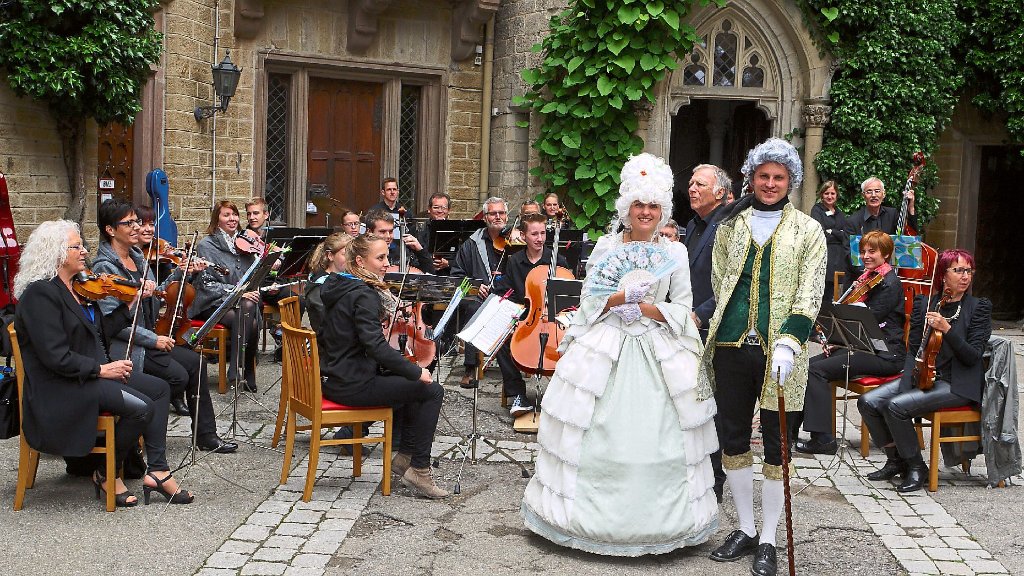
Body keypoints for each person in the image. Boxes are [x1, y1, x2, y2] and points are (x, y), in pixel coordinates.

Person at [521, 153, 717, 556]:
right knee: (591, 429)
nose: (645, 212)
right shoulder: (608, 246)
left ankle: (662, 524)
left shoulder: (675, 254)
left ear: (662, 210)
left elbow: (684, 308)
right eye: (638, 205)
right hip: (608, 341)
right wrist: (617, 299)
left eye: (653, 206)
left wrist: (646, 308)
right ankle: (583, 521)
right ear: (626, 208)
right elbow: (589, 301)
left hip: (657, 344)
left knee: (660, 437)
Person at [701, 138, 826, 576]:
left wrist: (792, 341)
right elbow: (720, 281)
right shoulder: (731, 227)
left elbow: (811, 292)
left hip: (782, 354)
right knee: (732, 440)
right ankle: (746, 528)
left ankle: (770, 538)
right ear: (750, 178)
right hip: (732, 345)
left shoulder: (808, 231)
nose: (770, 183)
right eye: (763, 176)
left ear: (790, 180)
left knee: (777, 447)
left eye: (779, 177)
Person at [13, 220, 194, 506]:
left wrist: (128, 306)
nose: (85, 251)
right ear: (57, 252)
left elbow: (101, 333)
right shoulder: (40, 295)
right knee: (141, 408)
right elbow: (54, 357)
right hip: (63, 385)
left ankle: (158, 469)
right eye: (77, 246)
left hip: (88, 375)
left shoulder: (77, 287)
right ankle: (106, 473)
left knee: (159, 388)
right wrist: (102, 369)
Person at [91, 200, 238, 455]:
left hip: (147, 339)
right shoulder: (105, 267)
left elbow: (158, 293)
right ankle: (143, 432)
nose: (136, 227)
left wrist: (181, 273)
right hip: (128, 348)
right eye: (129, 223)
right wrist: (154, 339)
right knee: (177, 376)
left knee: (197, 363)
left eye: (136, 221)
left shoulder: (137, 257)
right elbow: (113, 324)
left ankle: (206, 435)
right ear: (110, 230)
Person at [317, 233, 448, 499]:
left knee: (411, 386)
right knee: (432, 390)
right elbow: (374, 346)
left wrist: (403, 369)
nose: (387, 263)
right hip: (351, 384)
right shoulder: (363, 295)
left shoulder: (338, 284)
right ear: (360, 262)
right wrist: (415, 370)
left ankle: (405, 457)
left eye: (386, 256)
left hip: (337, 376)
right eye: (381, 258)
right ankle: (419, 469)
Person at [858, 249, 991, 493]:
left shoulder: (978, 307)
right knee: (868, 401)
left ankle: (917, 467)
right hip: (925, 375)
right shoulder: (926, 303)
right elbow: (913, 350)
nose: (965, 276)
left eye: (969, 271)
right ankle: (895, 459)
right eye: (958, 270)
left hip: (958, 383)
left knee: (896, 406)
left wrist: (947, 329)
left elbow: (972, 356)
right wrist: (908, 379)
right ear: (942, 275)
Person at [795, 230, 905, 456]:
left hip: (885, 354)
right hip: (864, 348)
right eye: (863, 251)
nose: (865, 256)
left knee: (815, 370)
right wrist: (839, 337)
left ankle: (823, 438)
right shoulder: (868, 279)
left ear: (885, 253)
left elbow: (868, 323)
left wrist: (843, 338)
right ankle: (790, 429)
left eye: (872, 251)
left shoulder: (889, 283)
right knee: (805, 365)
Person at [683, 163, 733, 503]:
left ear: (720, 192)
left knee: (711, 406)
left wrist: (700, 315)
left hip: (713, 328)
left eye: (700, 183)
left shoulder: (728, 226)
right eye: (690, 182)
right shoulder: (693, 225)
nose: (691, 187)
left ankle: (715, 477)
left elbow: (732, 281)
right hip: (688, 328)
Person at [450, 197, 528, 410]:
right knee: (475, 308)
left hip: (512, 297)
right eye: (493, 214)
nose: (498, 217)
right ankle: (470, 367)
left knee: (508, 318)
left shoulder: (517, 241)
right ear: (485, 218)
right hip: (483, 298)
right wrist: (477, 287)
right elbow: (457, 276)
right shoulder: (471, 244)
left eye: (502, 213)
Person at [191, 201, 262, 393]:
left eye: (234, 215)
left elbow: (251, 276)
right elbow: (206, 284)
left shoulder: (244, 243)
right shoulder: (207, 245)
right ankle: (245, 370)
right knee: (249, 314)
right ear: (217, 220)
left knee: (248, 311)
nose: (232, 219)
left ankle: (236, 366)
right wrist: (237, 292)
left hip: (238, 304)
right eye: (226, 215)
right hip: (211, 301)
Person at [304, 232, 353, 334]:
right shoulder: (319, 286)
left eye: (353, 254)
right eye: (345, 254)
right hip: (330, 343)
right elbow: (327, 324)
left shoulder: (346, 278)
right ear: (330, 256)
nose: (351, 259)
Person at [811, 180, 851, 303]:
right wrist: (838, 233)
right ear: (822, 195)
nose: (829, 196)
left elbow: (846, 235)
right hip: (826, 257)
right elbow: (820, 233)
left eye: (832, 193)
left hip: (840, 260)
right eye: (826, 193)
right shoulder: (817, 210)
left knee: (838, 293)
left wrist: (832, 231)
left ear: (837, 195)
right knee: (825, 293)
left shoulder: (839, 213)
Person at [364, 209, 435, 273]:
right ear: (369, 231)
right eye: (382, 232)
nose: (388, 236)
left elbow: (429, 273)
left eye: (391, 231)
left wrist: (420, 251)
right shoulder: (361, 251)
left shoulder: (401, 252)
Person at [844, 176, 917, 236]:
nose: (873, 195)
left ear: (883, 194)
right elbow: (848, 251)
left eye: (877, 191)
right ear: (863, 196)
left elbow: (911, 234)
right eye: (869, 192)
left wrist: (911, 207)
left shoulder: (893, 215)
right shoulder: (852, 222)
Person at [414, 192, 452, 273]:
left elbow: (463, 259)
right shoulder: (420, 230)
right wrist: (430, 261)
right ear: (429, 209)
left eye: (444, 207)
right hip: (424, 275)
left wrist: (448, 263)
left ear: (449, 210)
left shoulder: (456, 230)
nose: (440, 211)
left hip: (449, 276)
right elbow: (413, 257)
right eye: (436, 207)